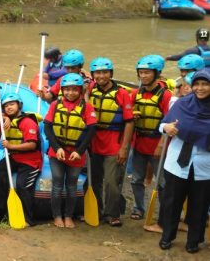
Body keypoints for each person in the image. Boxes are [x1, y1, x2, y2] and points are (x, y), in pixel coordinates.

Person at [158, 69, 210, 253]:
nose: (200, 88)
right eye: (197, 84)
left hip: (204, 167)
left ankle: (193, 241)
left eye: (205, 84)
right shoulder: (182, 103)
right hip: (176, 164)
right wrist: (167, 127)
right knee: (172, 202)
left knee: (199, 206)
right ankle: (167, 237)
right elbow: (162, 124)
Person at [44, 73, 97, 228]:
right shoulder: (55, 104)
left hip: (76, 153)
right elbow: (47, 127)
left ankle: (68, 216)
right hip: (57, 151)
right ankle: (57, 216)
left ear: (80, 90)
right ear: (62, 90)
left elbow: (91, 131)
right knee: (58, 183)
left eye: (74, 89)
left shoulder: (87, 107)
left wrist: (80, 151)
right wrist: (57, 147)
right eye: (67, 89)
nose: (70, 93)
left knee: (72, 185)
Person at [86, 57, 134, 227]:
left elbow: (129, 122)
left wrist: (124, 148)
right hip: (93, 143)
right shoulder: (89, 90)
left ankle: (112, 213)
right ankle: (96, 211)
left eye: (105, 72)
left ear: (111, 74)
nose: (101, 76)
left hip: (114, 144)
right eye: (98, 73)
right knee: (94, 181)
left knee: (112, 182)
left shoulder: (121, 94)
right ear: (93, 75)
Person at [0, 92, 42, 227]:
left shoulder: (27, 122)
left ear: (19, 105)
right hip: (15, 157)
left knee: (22, 186)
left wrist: (10, 146)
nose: (9, 108)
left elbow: (32, 144)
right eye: (6, 106)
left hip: (31, 161)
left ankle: (29, 219)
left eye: (12, 104)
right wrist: (4, 117)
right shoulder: (6, 118)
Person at [129, 55, 172, 221]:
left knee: (162, 183)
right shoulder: (135, 93)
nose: (143, 76)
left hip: (157, 145)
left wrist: (161, 145)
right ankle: (138, 208)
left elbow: (169, 121)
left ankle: (165, 213)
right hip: (139, 143)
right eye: (141, 72)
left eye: (147, 72)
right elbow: (127, 116)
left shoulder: (166, 96)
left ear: (157, 74)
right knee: (136, 179)